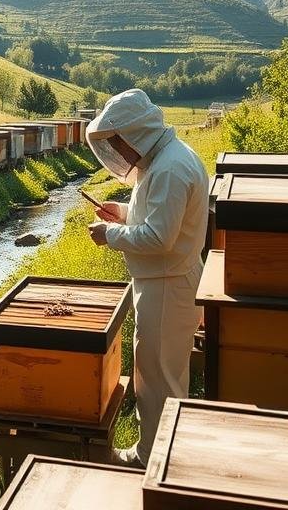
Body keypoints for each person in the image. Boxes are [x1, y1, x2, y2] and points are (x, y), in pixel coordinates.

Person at [85, 89, 208, 467]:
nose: (119, 152)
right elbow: (157, 217)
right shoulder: (165, 159)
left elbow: (158, 237)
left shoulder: (170, 168)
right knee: (161, 374)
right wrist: (122, 213)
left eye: (119, 141)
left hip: (168, 289)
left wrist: (110, 236)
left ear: (137, 132)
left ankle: (155, 462)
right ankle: (165, 457)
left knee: (159, 382)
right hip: (166, 283)